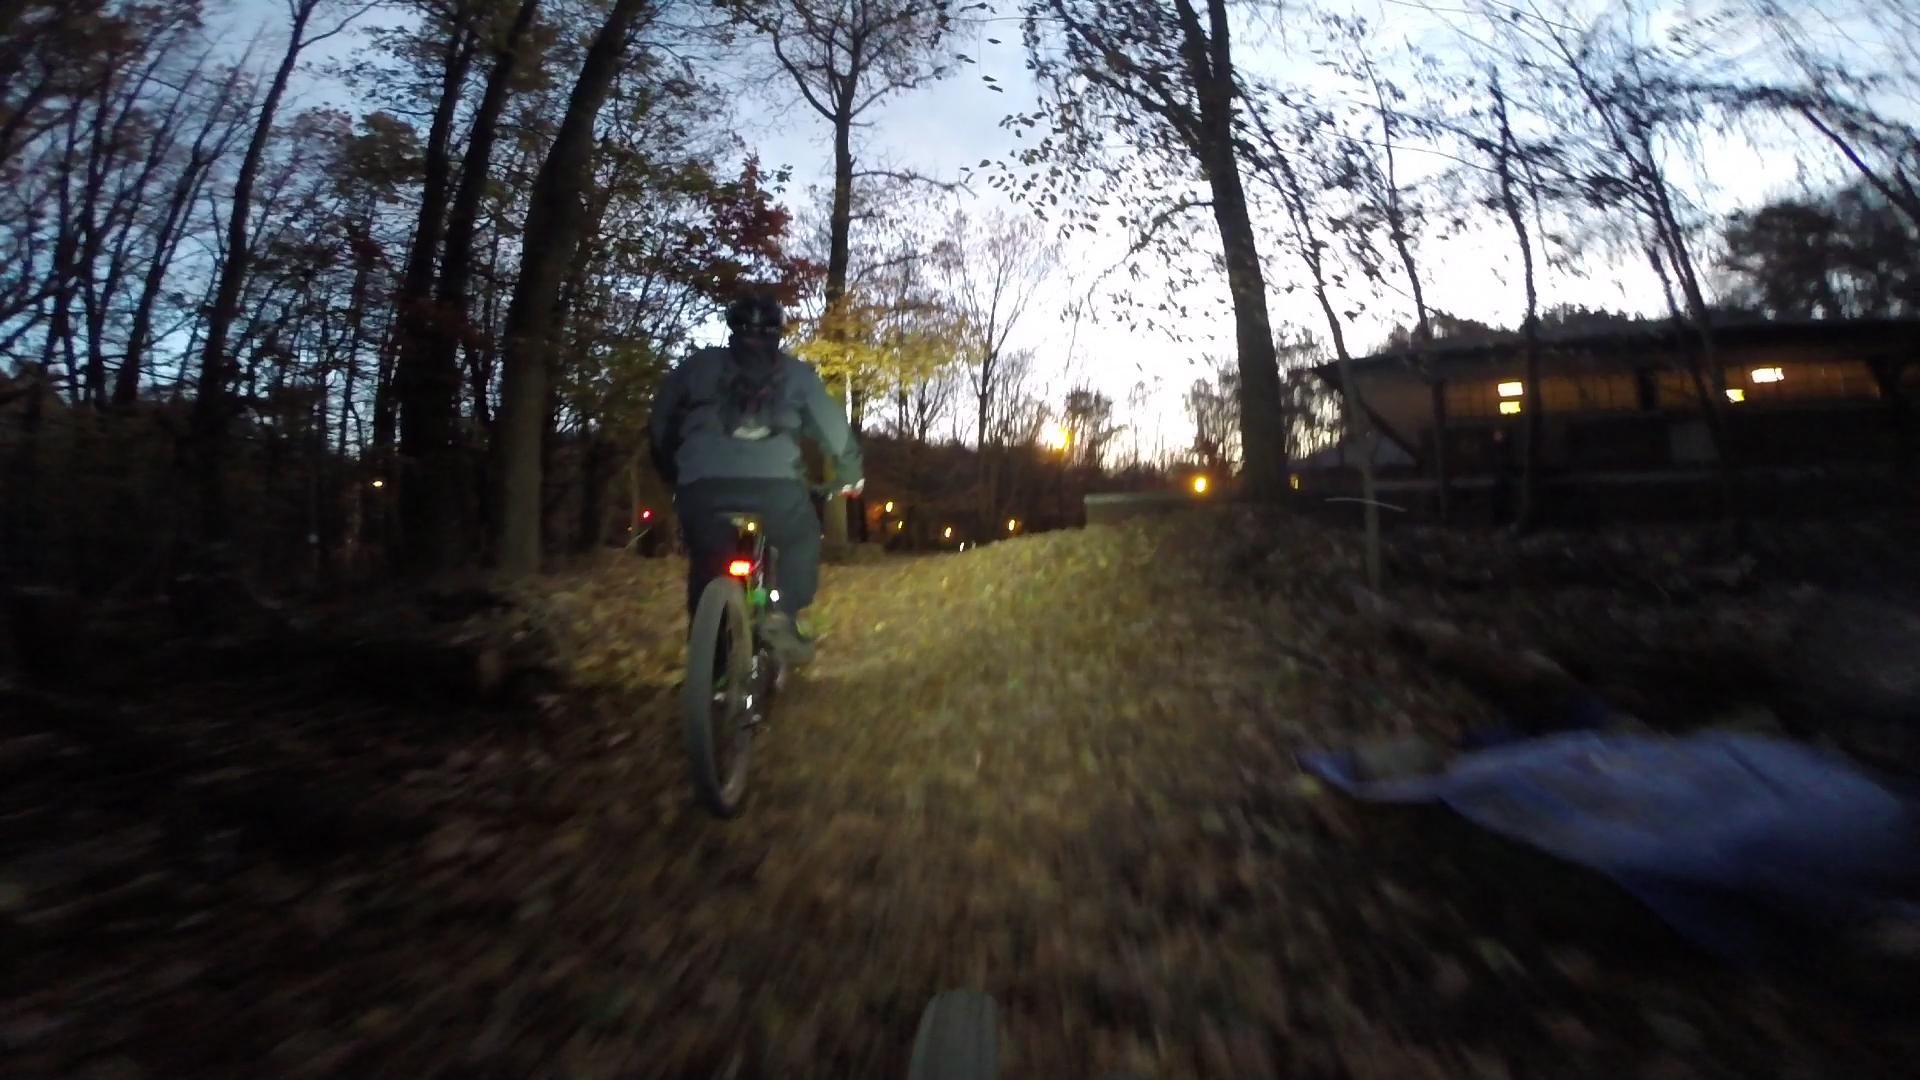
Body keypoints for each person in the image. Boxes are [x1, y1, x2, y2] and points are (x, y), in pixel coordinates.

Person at [647, 291, 864, 664]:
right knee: (800, 537)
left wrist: (673, 472)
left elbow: (660, 422)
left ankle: (710, 662)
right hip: (776, 487)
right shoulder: (797, 375)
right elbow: (835, 431)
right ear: (778, 333)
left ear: (732, 329)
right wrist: (850, 475)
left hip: (701, 484)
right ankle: (783, 615)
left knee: (708, 560)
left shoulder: (697, 367)